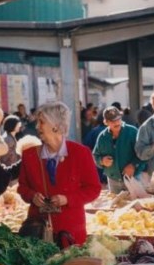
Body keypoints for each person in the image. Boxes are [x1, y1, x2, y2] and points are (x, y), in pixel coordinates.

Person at [17, 101, 100, 246]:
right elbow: (22, 187)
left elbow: (93, 189)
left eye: (41, 122)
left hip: (71, 233)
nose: (37, 127)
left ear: (55, 126)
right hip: (38, 233)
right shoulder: (29, 155)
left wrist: (67, 199)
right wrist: (32, 196)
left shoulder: (81, 153)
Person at [93, 106, 145, 194]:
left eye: (118, 119)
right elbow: (95, 155)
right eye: (112, 121)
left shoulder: (132, 132)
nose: (116, 122)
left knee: (136, 205)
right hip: (113, 181)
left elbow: (143, 153)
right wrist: (102, 161)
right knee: (116, 206)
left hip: (132, 178)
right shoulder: (102, 137)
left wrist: (133, 165)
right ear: (106, 122)